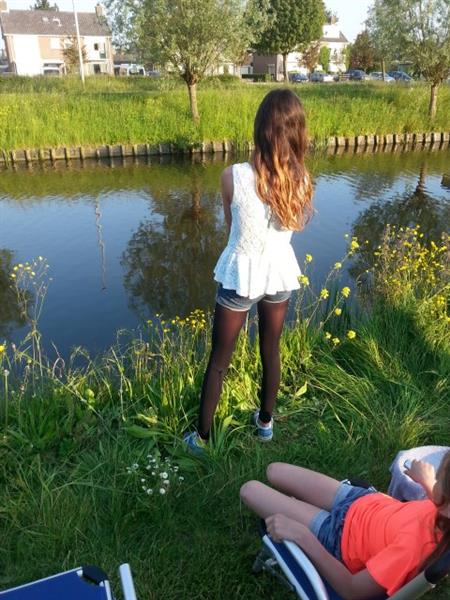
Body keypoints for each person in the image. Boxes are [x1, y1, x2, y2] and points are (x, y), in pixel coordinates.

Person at [183, 89, 313, 452]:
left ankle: (202, 438)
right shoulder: (301, 179)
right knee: (271, 349)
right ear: (298, 132)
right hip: (279, 272)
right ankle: (265, 424)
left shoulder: (233, 176)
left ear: (260, 129)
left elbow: (232, 231)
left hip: (241, 273)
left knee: (219, 359)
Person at [240, 451, 450, 599]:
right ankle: (299, 508)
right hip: (363, 501)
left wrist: (303, 536)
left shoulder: (412, 550)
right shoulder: (444, 515)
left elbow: (352, 589)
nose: (436, 478)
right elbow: (439, 503)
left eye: (439, 477)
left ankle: (303, 514)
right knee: (274, 470)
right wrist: (429, 483)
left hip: (338, 538)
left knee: (250, 490)